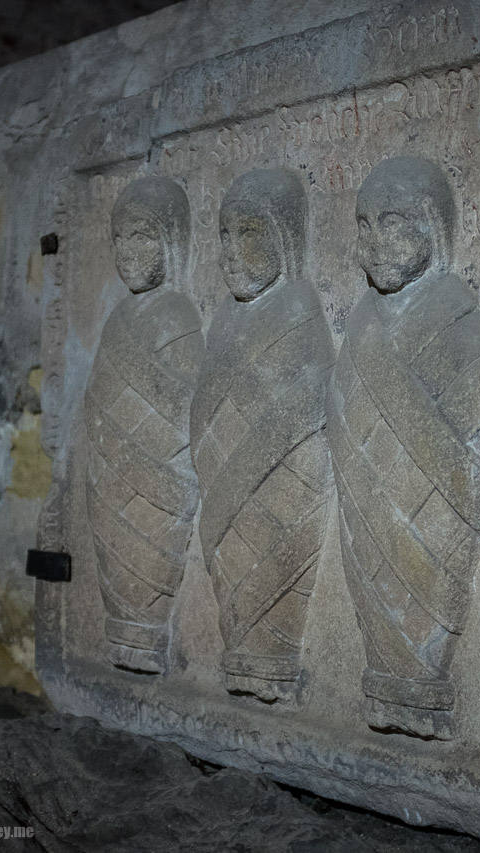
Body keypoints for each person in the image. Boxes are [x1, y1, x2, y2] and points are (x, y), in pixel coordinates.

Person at [328, 156, 480, 740]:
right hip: (372, 517)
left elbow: (471, 468)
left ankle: (420, 678)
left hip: (432, 534)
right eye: (365, 224)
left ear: (433, 225)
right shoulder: (359, 327)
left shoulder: (459, 325)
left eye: (394, 222)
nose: (374, 242)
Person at [190, 169, 333, 702]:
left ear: (284, 237)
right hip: (224, 503)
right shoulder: (224, 320)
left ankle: (274, 662)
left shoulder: (299, 314)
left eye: (248, 234)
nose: (230, 252)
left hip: (282, 498)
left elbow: (306, 421)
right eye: (224, 236)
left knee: (270, 595)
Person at [85, 177, 203, 675]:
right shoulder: (116, 321)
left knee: (147, 566)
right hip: (110, 483)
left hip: (159, 484)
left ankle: (147, 633)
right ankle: (129, 637)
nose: (129, 252)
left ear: (172, 241)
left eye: (144, 237)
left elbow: (187, 415)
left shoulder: (177, 317)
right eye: (121, 239)